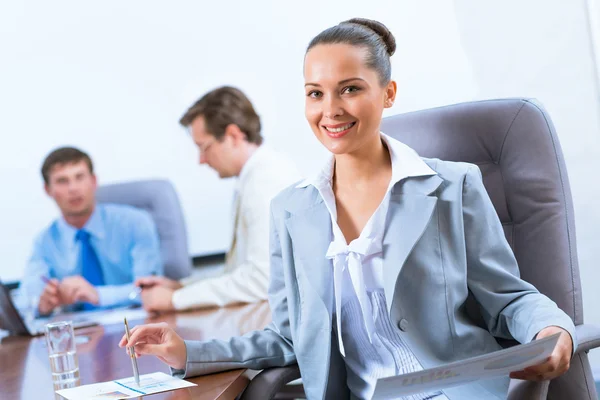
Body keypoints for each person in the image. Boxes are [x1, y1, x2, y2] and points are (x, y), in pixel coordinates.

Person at [120, 19, 576, 399]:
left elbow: (509, 299)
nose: (330, 110)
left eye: (350, 89)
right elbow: (290, 337)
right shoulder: (292, 210)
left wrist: (553, 329)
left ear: (389, 92)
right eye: (315, 93)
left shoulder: (453, 186)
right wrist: (187, 351)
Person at [136, 86, 301, 312]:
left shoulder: (265, 182)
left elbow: (262, 280)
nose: (201, 160)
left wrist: (175, 300)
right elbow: (240, 271)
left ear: (233, 136)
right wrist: (180, 287)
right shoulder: (254, 177)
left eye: (204, 147)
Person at [21, 147, 162, 315]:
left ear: (94, 181)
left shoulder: (135, 223)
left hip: (139, 328)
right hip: (82, 333)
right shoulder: (45, 241)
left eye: (79, 177)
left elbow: (151, 289)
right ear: (48, 190)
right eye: (62, 181)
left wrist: (99, 295)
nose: (73, 188)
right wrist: (42, 304)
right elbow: (25, 301)